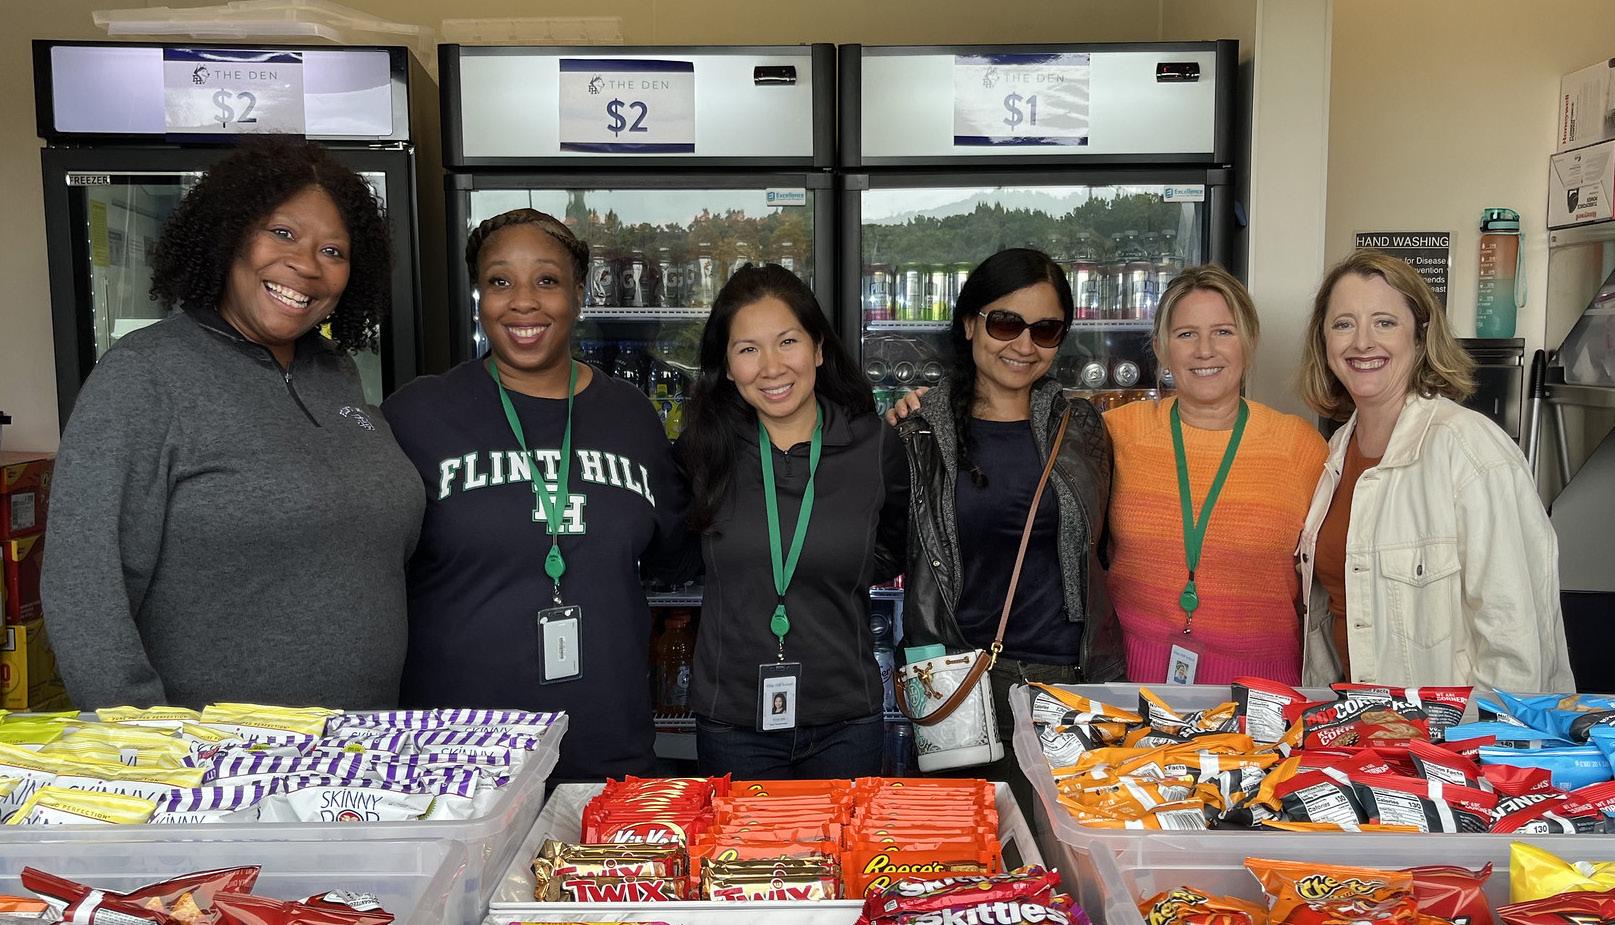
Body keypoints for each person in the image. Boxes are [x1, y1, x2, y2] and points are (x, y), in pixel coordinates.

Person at [41, 137, 424, 709]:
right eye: (283, 233)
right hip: (217, 756)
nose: (306, 265)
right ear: (229, 234)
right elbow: (84, 587)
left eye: (333, 251)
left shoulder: (335, 373)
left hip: (361, 746)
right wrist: (147, 740)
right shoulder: (145, 375)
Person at [382, 208, 695, 780]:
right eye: (500, 281)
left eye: (546, 280)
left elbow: (674, 552)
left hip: (606, 743)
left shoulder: (630, 415)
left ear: (578, 294)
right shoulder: (417, 414)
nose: (523, 302)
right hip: (454, 756)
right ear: (480, 297)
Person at [895, 247, 1121, 809]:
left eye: (1045, 330)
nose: (1023, 344)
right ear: (969, 323)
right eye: (1005, 323)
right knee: (967, 846)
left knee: (1061, 848)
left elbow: (1106, 549)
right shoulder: (918, 432)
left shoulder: (1082, 428)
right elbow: (884, 552)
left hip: (1066, 687)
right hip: (957, 684)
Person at [1295, 249, 1573, 690]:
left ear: (1421, 338)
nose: (1362, 342)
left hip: (1448, 730)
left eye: (1385, 323)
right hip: (1355, 719)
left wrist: (1482, 734)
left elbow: (1517, 642)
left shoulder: (1470, 450)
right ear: (1323, 341)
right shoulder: (1334, 454)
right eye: (1344, 324)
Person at [679, 264, 907, 779]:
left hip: (845, 719)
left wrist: (820, 568)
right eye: (748, 349)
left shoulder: (874, 447)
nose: (771, 367)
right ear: (727, 365)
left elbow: (893, 548)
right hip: (733, 721)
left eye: (787, 342)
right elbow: (678, 551)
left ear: (818, 349)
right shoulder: (703, 450)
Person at [1104, 265, 1328, 685]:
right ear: (1162, 348)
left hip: (1262, 692)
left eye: (1223, 332)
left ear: (1250, 341)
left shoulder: (1300, 447)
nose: (1204, 350)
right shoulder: (1118, 433)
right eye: (1186, 334)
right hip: (1134, 684)